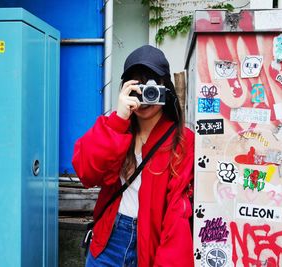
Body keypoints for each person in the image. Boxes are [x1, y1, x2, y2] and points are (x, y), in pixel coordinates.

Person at [72, 45, 194, 267]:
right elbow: (86, 174)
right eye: (136, 86)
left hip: (152, 244)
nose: (144, 95)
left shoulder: (183, 140)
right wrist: (118, 119)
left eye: (151, 85)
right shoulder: (114, 127)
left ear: (166, 88)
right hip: (110, 239)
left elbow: (177, 213)